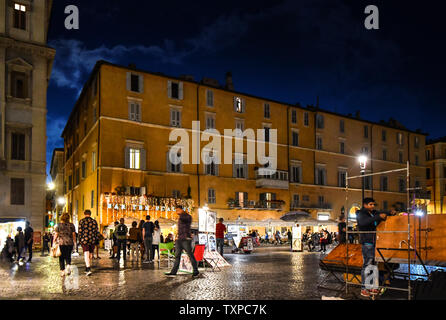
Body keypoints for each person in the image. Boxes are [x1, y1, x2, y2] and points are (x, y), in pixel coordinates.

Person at [356, 198, 387, 298]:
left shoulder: (372, 213)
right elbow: (363, 222)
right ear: (365, 205)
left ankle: (372, 286)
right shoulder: (361, 213)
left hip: (374, 241)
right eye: (370, 204)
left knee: (373, 264)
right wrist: (377, 217)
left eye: (373, 204)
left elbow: (380, 214)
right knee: (367, 264)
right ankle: (364, 288)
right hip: (367, 242)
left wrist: (389, 213)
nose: (372, 206)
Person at [165, 206, 199, 278]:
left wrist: (182, 214)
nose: (176, 211)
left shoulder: (186, 216)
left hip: (186, 238)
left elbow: (188, 219)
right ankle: (173, 272)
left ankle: (196, 271)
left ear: (181, 209)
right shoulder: (181, 217)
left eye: (178, 210)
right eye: (176, 210)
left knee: (190, 255)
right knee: (177, 256)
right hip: (180, 239)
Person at [78, 210, 99, 276]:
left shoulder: (82, 221)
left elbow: (80, 231)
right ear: (90, 214)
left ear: (84, 214)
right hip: (92, 239)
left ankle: (88, 267)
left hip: (84, 239)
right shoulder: (94, 221)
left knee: (86, 253)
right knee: (90, 253)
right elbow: (96, 231)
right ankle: (88, 266)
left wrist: (80, 239)